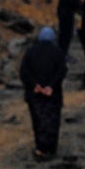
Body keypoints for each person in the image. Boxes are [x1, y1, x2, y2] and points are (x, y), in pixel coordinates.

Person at [19, 26, 68, 161]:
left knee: (38, 120)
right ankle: (51, 149)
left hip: (35, 94)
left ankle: (40, 148)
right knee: (52, 120)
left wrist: (35, 86)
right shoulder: (58, 52)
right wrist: (50, 86)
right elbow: (62, 71)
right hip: (52, 94)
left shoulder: (30, 52)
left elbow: (24, 72)